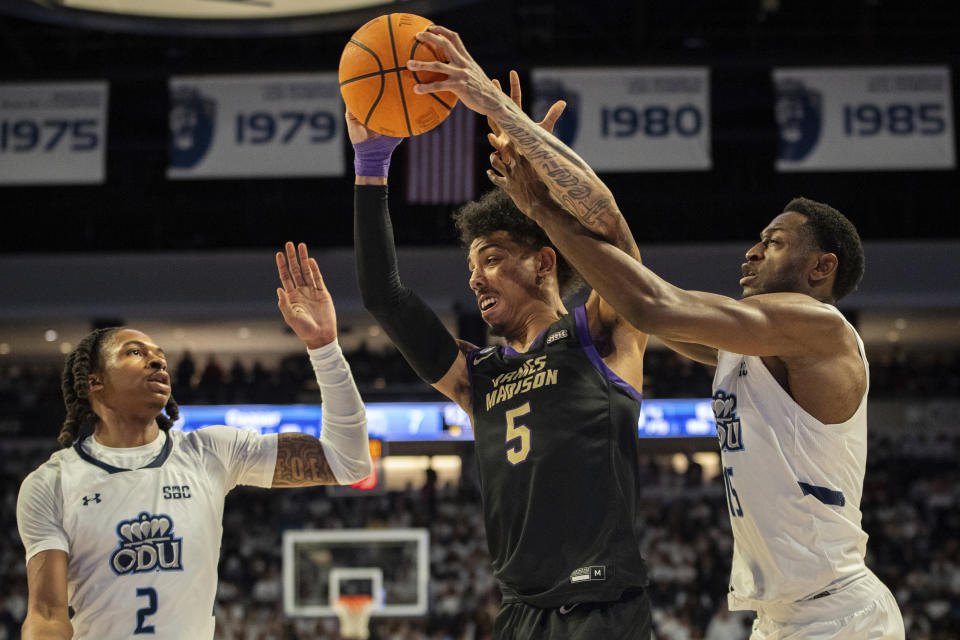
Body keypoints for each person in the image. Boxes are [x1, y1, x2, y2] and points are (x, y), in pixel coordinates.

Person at [438, 41, 906, 639]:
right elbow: (640, 293)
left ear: (821, 269)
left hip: (839, 613)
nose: (753, 250)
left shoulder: (820, 329)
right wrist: (542, 186)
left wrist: (524, 158)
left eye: (775, 242)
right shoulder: (758, 352)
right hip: (782, 617)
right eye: (759, 238)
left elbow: (650, 301)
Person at [349, 42, 653, 640]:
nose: (475, 277)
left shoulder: (600, 333)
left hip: (603, 612)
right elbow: (385, 296)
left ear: (544, 262)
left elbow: (612, 229)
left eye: (491, 258)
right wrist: (372, 164)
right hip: (518, 616)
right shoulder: (477, 376)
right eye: (471, 266)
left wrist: (520, 137)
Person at [16, 242, 373, 640]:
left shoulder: (210, 451)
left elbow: (349, 462)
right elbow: (47, 615)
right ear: (93, 382)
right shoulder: (51, 483)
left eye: (161, 356)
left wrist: (324, 346)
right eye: (135, 353)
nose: (157, 361)